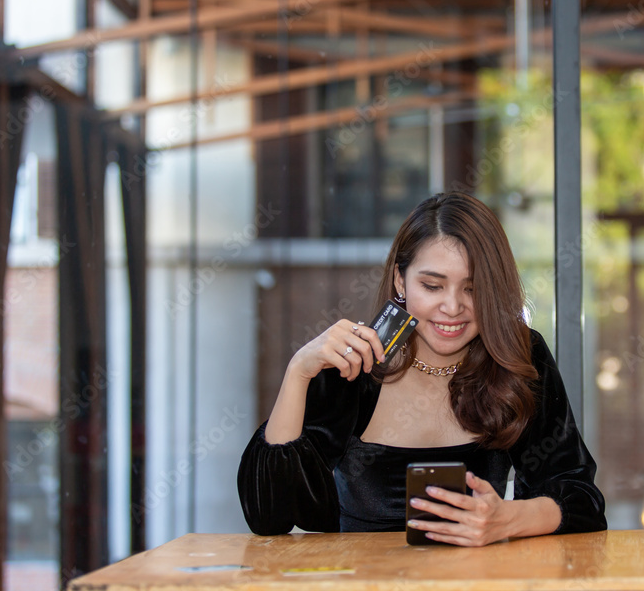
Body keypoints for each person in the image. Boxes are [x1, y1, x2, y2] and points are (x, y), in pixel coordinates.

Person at [237, 192, 606, 546]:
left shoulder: (517, 353)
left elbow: (580, 498)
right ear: (401, 280)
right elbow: (268, 516)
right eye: (432, 285)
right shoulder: (356, 363)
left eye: (472, 290)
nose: (452, 307)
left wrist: (506, 519)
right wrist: (299, 371)